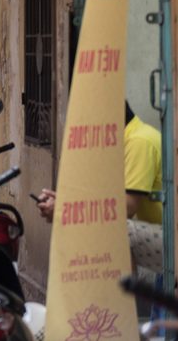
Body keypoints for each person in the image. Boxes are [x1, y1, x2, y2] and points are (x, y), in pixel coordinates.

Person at [36, 102, 162, 277]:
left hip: (170, 242)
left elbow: (126, 208)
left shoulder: (139, 142)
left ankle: (123, 301)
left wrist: (66, 211)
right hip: (159, 236)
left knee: (116, 228)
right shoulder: (126, 140)